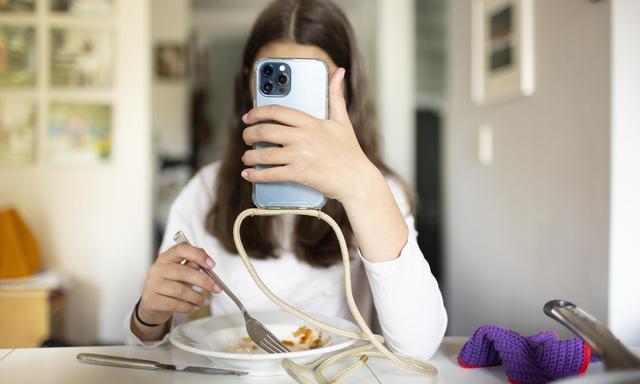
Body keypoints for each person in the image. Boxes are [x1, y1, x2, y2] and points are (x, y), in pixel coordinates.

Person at [125, 0, 447, 359]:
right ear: (248, 86)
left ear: (347, 91)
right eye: (276, 80)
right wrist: (148, 316)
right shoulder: (205, 190)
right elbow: (152, 352)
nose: (290, 110)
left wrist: (363, 187)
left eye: (310, 84)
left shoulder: (376, 189)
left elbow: (419, 348)